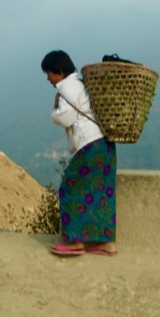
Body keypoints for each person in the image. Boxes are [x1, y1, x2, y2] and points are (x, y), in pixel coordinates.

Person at [41, 50, 117, 256]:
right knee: (102, 192)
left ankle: (74, 241)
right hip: (105, 144)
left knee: (70, 188)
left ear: (57, 70)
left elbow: (65, 117)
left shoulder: (68, 86)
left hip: (88, 145)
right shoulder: (81, 83)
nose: (47, 78)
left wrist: (54, 110)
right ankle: (106, 242)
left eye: (48, 72)